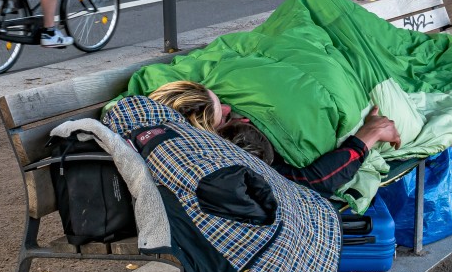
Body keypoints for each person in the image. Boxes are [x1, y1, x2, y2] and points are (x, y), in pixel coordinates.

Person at [148, 80, 401, 198]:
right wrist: (369, 135)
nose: (230, 107)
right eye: (224, 119)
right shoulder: (229, 156)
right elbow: (310, 183)